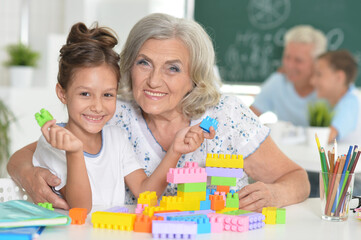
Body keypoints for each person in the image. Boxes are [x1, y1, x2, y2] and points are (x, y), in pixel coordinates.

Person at [8, 13, 310, 212]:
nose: (154, 81)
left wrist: (273, 195)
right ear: (128, 66)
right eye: (144, 63)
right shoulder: (113, 112)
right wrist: (29, 175)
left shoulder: (226, 115)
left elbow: (297, 178)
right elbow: (29, 154)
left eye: (173, 69)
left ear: (195, 77)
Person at [31, 22, 213, 212]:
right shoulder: (53, 143)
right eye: (85, 94)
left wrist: (175, 150)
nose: (97, 106)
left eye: (108, 95)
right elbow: (80, 210)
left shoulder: (116, 137)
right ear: (62, 93)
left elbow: (146, 195)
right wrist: (74, 152)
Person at [250, 25, 327, 127]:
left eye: (298, 60)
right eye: (287, 57)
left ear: (316, 63)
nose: (289, 66)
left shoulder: (329, 89)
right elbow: (247, 118)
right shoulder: (277, 82)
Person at [311, 50, 360, 143]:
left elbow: (327, 138)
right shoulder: (333, 103)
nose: (312, 81)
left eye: (319, 74)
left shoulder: (350, 102)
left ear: (339, 77)